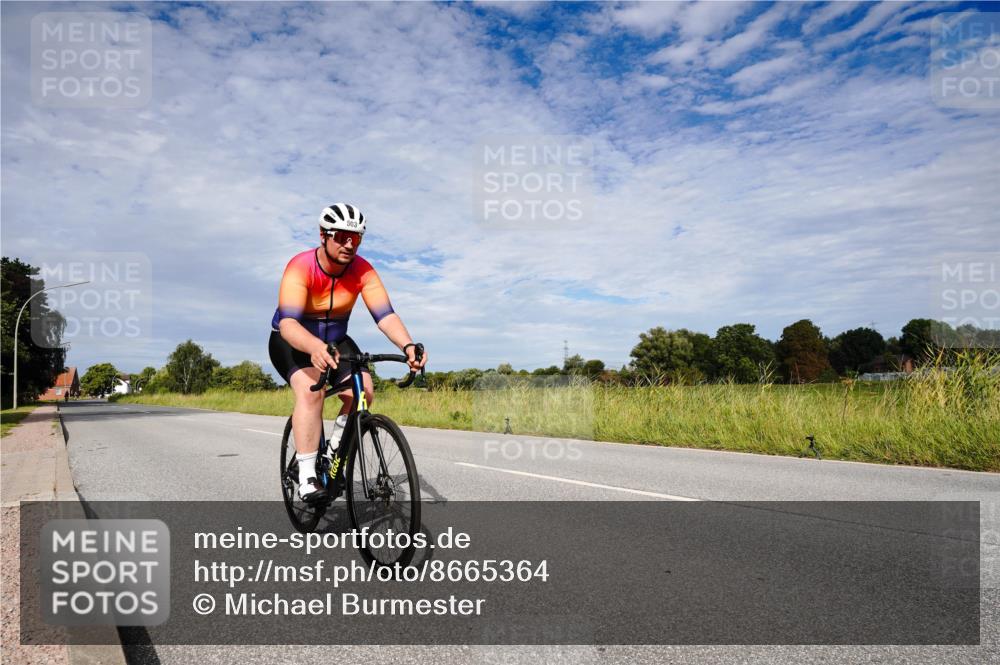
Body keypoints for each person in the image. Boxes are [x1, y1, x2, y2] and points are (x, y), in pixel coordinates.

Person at [269, 203, 427, 501]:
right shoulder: (301, 266)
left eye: (356, 237)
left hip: (336, 339)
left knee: (363, 392)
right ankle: (306, 477)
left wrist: (407, 344)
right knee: (310, 391)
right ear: (323, 235)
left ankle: (332, 452)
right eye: (341, 236)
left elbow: (385, 315)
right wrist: (313, 346)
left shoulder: (363, 270)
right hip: (293, 340)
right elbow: (289, 323)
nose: (349, 244)